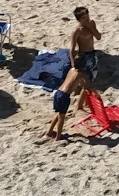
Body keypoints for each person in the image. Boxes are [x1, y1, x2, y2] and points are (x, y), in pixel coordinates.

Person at [44, 7, 102, 141]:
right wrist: (73, 63)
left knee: (89, 80)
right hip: (83, 56)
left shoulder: (91, 24)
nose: (87, 19)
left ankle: (81, 105)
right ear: (79, 19)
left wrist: (92, 27)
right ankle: (58, 136)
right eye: (84, 18)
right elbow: (72, 48)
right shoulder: (77, 31)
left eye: (88, 16)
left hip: (92, 55)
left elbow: (98, 37)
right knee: (86, 82)